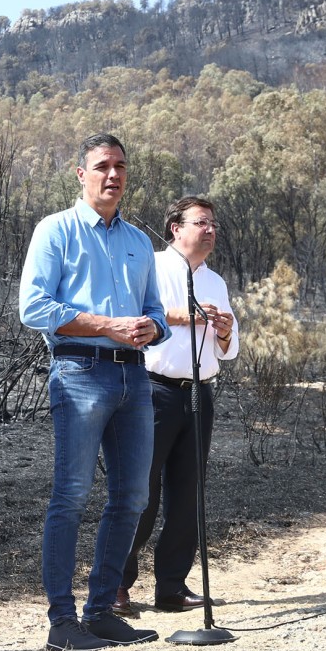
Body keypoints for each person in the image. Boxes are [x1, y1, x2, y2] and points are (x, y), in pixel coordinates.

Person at [18, 133, 170, 651]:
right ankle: (62, 623)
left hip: (135, 377)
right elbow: (33, 308)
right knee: (71, 496)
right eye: (102, 166)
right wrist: (105, 325)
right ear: (80, 175)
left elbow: (154, 310)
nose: (113, 175)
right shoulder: (55, 231)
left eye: (121, 166)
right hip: (79, 373)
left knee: (132, 497)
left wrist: (155, 329)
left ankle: (101, 611)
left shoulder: (138, 241)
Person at [117, 196, 239, 616]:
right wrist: (186, 316)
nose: (210, 230)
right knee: (141, 492)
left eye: (213, 225)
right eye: (201, 222)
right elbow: (134, 316)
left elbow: (229, 350)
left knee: (188, 495)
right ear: (175, 228)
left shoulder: (216, 282)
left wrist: (222, 330)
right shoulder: (149, 266)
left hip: (199, 392)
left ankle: (171, 587)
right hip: (154, 390)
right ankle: (117, 587)